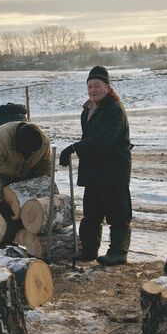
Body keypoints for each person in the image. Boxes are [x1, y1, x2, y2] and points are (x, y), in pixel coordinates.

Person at [59, 65, 132, 266]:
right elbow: (90, 138)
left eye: (97, 85)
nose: (92, 90)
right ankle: (88, 251)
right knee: (91, 214)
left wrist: (75, 147)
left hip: (113, 170)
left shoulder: (115, 109)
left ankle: (118, 253)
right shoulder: (88, 109)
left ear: (108, 87)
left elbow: (104, 140)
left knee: (117, 214)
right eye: (90, 86)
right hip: (94, 170)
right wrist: (78, 147)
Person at [0, 121, 51, 239]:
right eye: (25, 152)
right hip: (1, 175)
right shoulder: (1, 140)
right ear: (17, 144)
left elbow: (44, 166)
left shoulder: (43, 142)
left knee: (22, 211)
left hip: (26, 175)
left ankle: (11, 240)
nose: (28, 154)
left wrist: (41, 187)